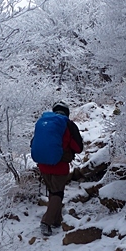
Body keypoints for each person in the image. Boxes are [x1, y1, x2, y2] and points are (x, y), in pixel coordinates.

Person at [32, 101, 83, 236]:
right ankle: (46, 222)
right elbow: (78, 148)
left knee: (53, 192)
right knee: (57, 193)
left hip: (43, 164)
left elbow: (33, 142)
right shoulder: (68, 125)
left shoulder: (44, 123)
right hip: (59, 166)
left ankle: (56, 220)